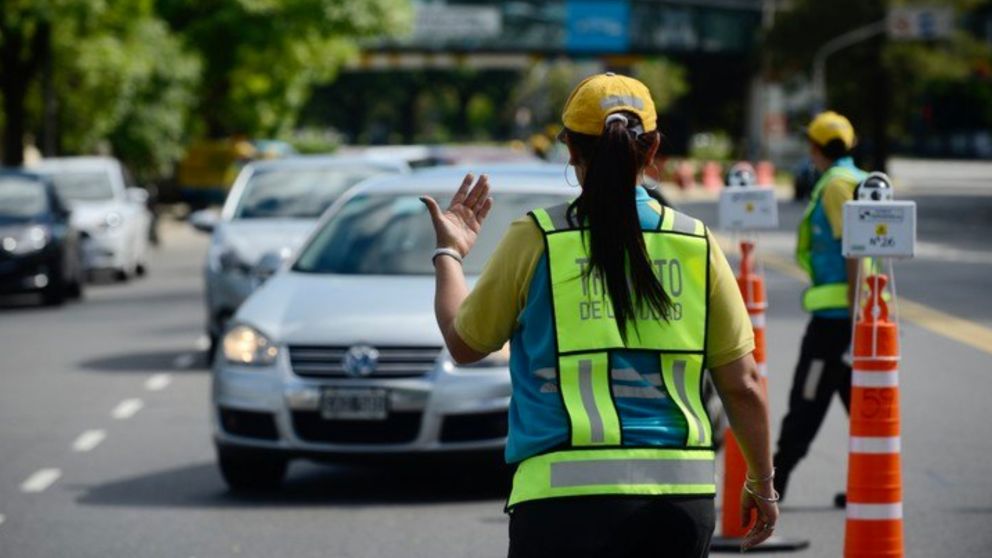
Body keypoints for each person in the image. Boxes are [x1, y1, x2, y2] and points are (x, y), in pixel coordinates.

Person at [421, 73, 778, 557]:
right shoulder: (697, 242)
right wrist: (761, 480)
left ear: (570, 149)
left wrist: (450, 254)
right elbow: (744, 384)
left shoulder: (537, 237)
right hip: (677, 504)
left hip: (558, 505)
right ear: (652, 151)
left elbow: (464, 344)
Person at [773, 111, 868, 501]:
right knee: (862, 408)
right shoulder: (860, 180)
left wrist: (853, 312)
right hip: (857, 319)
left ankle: (772, 489)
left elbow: (855, 249)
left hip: (836, 323)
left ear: (815, 147)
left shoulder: (836, 186)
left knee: (806, 403)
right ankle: (867, 486)